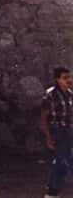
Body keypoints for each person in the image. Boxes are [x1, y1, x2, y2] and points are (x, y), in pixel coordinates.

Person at [41, 66, 73, 198]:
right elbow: (43, 118)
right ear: (57, 79)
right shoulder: (50, 95)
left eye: (69, 77)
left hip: (70, 129)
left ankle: (53, 188)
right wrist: (48, 137)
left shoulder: (70, 94)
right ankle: (52, 192)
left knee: (66, 159)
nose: (68, 80)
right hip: (57, 130)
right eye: (65, 78)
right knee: (61, 159)